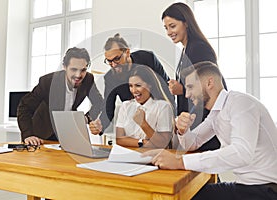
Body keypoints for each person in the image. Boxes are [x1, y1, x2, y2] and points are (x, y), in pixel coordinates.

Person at [144, 61, 277, 200]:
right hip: (247, 186)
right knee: (186, 194)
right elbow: (193, 143)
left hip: (265, 190)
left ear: (209, 83)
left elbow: (241, 153)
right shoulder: (216, 113)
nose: (187, 94)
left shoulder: (240, 103)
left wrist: (180, 161)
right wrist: (184, 131)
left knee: (186, 195)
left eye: (190, 87)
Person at [162, 2, 228, 151]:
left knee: (203, 169)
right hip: (195, 124)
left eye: (172, 26)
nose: (169, 32)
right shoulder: (187, 49)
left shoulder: (198, 48)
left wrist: (181, 89)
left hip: (203, 123)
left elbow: (210, 85)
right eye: (166, 28)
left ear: (186, 23)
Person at [89, 33, 176, 135]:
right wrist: (100, 125)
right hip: (135, 123)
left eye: (117, 59)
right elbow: (108, 108)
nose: (113, 65)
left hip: (159, 115)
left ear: (127, 52)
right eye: (109, 61)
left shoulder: (148, 59)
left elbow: (167, 89)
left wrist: (172, 117)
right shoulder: (110, 77)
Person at [17, 47, 103, 145]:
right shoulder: (48, 82)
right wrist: (28, 135)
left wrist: (86, 118)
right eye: (74, 69)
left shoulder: (88, 79)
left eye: (83, 70)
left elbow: (99, 102)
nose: (78, 75)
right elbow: (24, 107)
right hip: (41, 136)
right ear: (64, 67)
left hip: (66, 135)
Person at [116, 65, 174, 148]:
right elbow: (119, 140)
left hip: (153, 156)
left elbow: (162, 143)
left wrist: (143, 124)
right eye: (130, 86)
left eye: (138, 85)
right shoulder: (126, 106)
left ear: (150, 85)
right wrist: (143, 142)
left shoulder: (163, 106)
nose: (133, 90)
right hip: (129, 155)